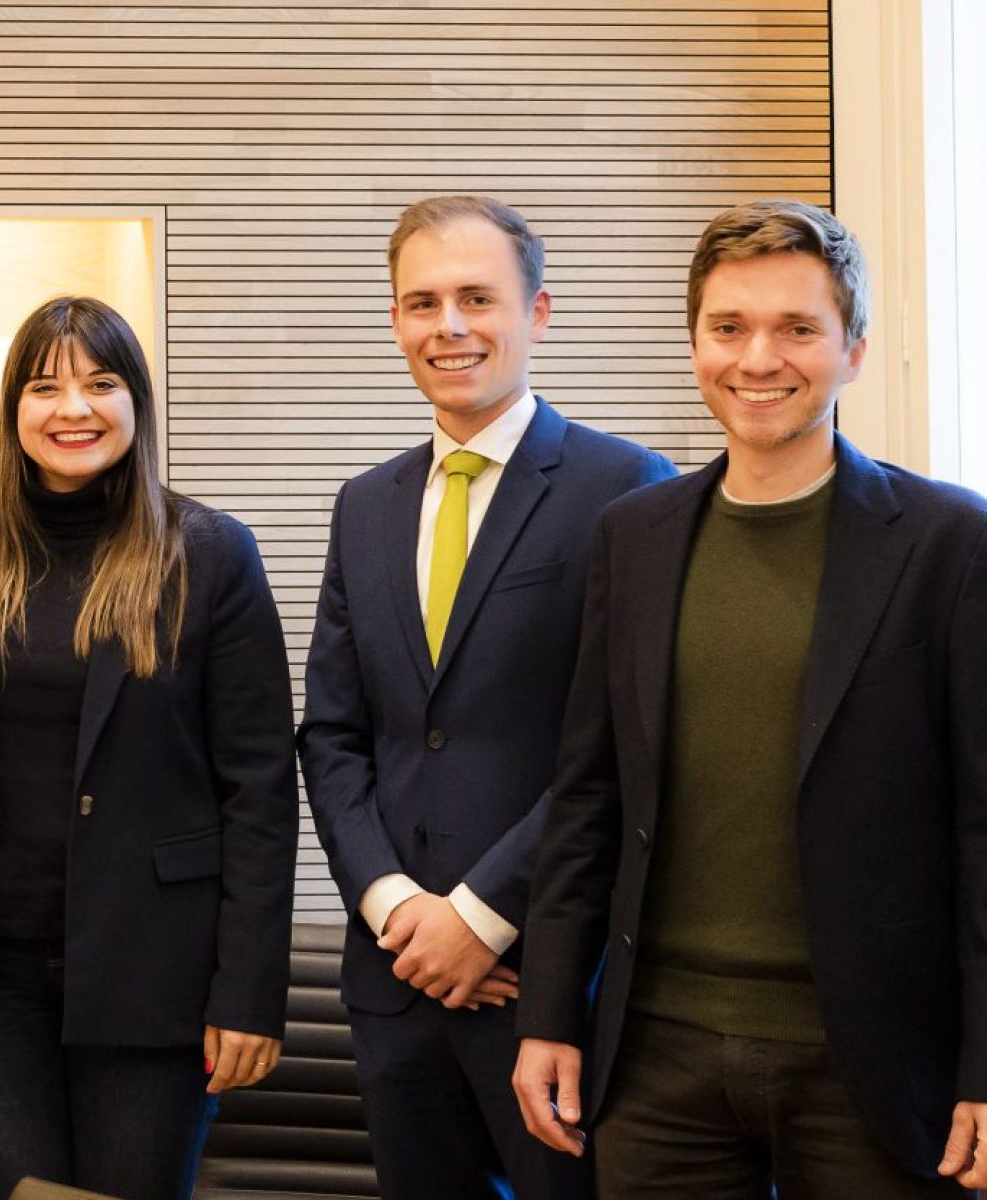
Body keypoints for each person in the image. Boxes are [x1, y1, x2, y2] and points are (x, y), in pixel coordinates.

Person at [514, 199, 987, 1197]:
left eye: (798, 329)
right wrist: (550, 1014)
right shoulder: (632, 537)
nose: (757, 358)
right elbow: (587, 799)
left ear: (853, 351)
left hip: (871, 1062)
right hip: (655, 1055)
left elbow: (984, 826)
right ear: (695, 342)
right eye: (728, 327)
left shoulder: (949, 543)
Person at [296, 195, 671, 1198]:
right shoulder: (364, 504)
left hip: (547, 986)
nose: (449, 326)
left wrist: (479, 915)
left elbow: (628, 746)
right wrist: (395, 910)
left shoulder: (627, 488)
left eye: (477, 298)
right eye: (422, 303)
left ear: (538, 312)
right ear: (394, 322)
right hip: (396, 978)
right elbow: (333, 737)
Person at [0, 295, 295, 1200]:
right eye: (45, 387)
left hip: (157, 971)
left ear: (137, 402)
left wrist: (246, 991)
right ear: (13, 413)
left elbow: (261, 790)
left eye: (100, 383)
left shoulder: (210, 552)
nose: (73, 409)